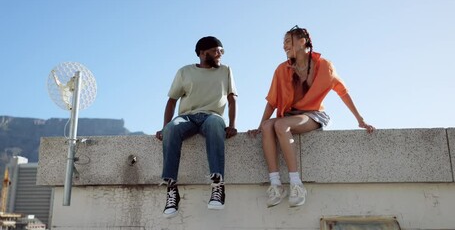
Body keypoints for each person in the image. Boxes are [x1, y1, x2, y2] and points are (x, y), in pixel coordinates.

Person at [248, 25, 375, 208]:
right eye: (283, 43)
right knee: (269, 126)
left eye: (287, 42)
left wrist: (360, 120)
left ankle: (296, 184)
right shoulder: (282, 70)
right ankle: (276, 185)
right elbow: (272, 102)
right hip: (290, 115)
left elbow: (343, 92)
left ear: (302, 41)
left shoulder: (325, 66)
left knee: (281, 126)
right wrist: (260, 126)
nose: (284, 46)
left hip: (313, 115)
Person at [155, 36, 238, 218]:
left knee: (216, 123)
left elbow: (232, 99)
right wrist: (164, 127)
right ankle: (171, 190)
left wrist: (232, 125)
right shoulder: (185, 72)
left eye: (221, 51)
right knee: (171, 128)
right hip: (187, 118)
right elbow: (171, 101)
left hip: (212, 117)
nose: (219, 55)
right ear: (202, 53)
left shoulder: (225, 71)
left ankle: (217, 185)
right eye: (216, 51)